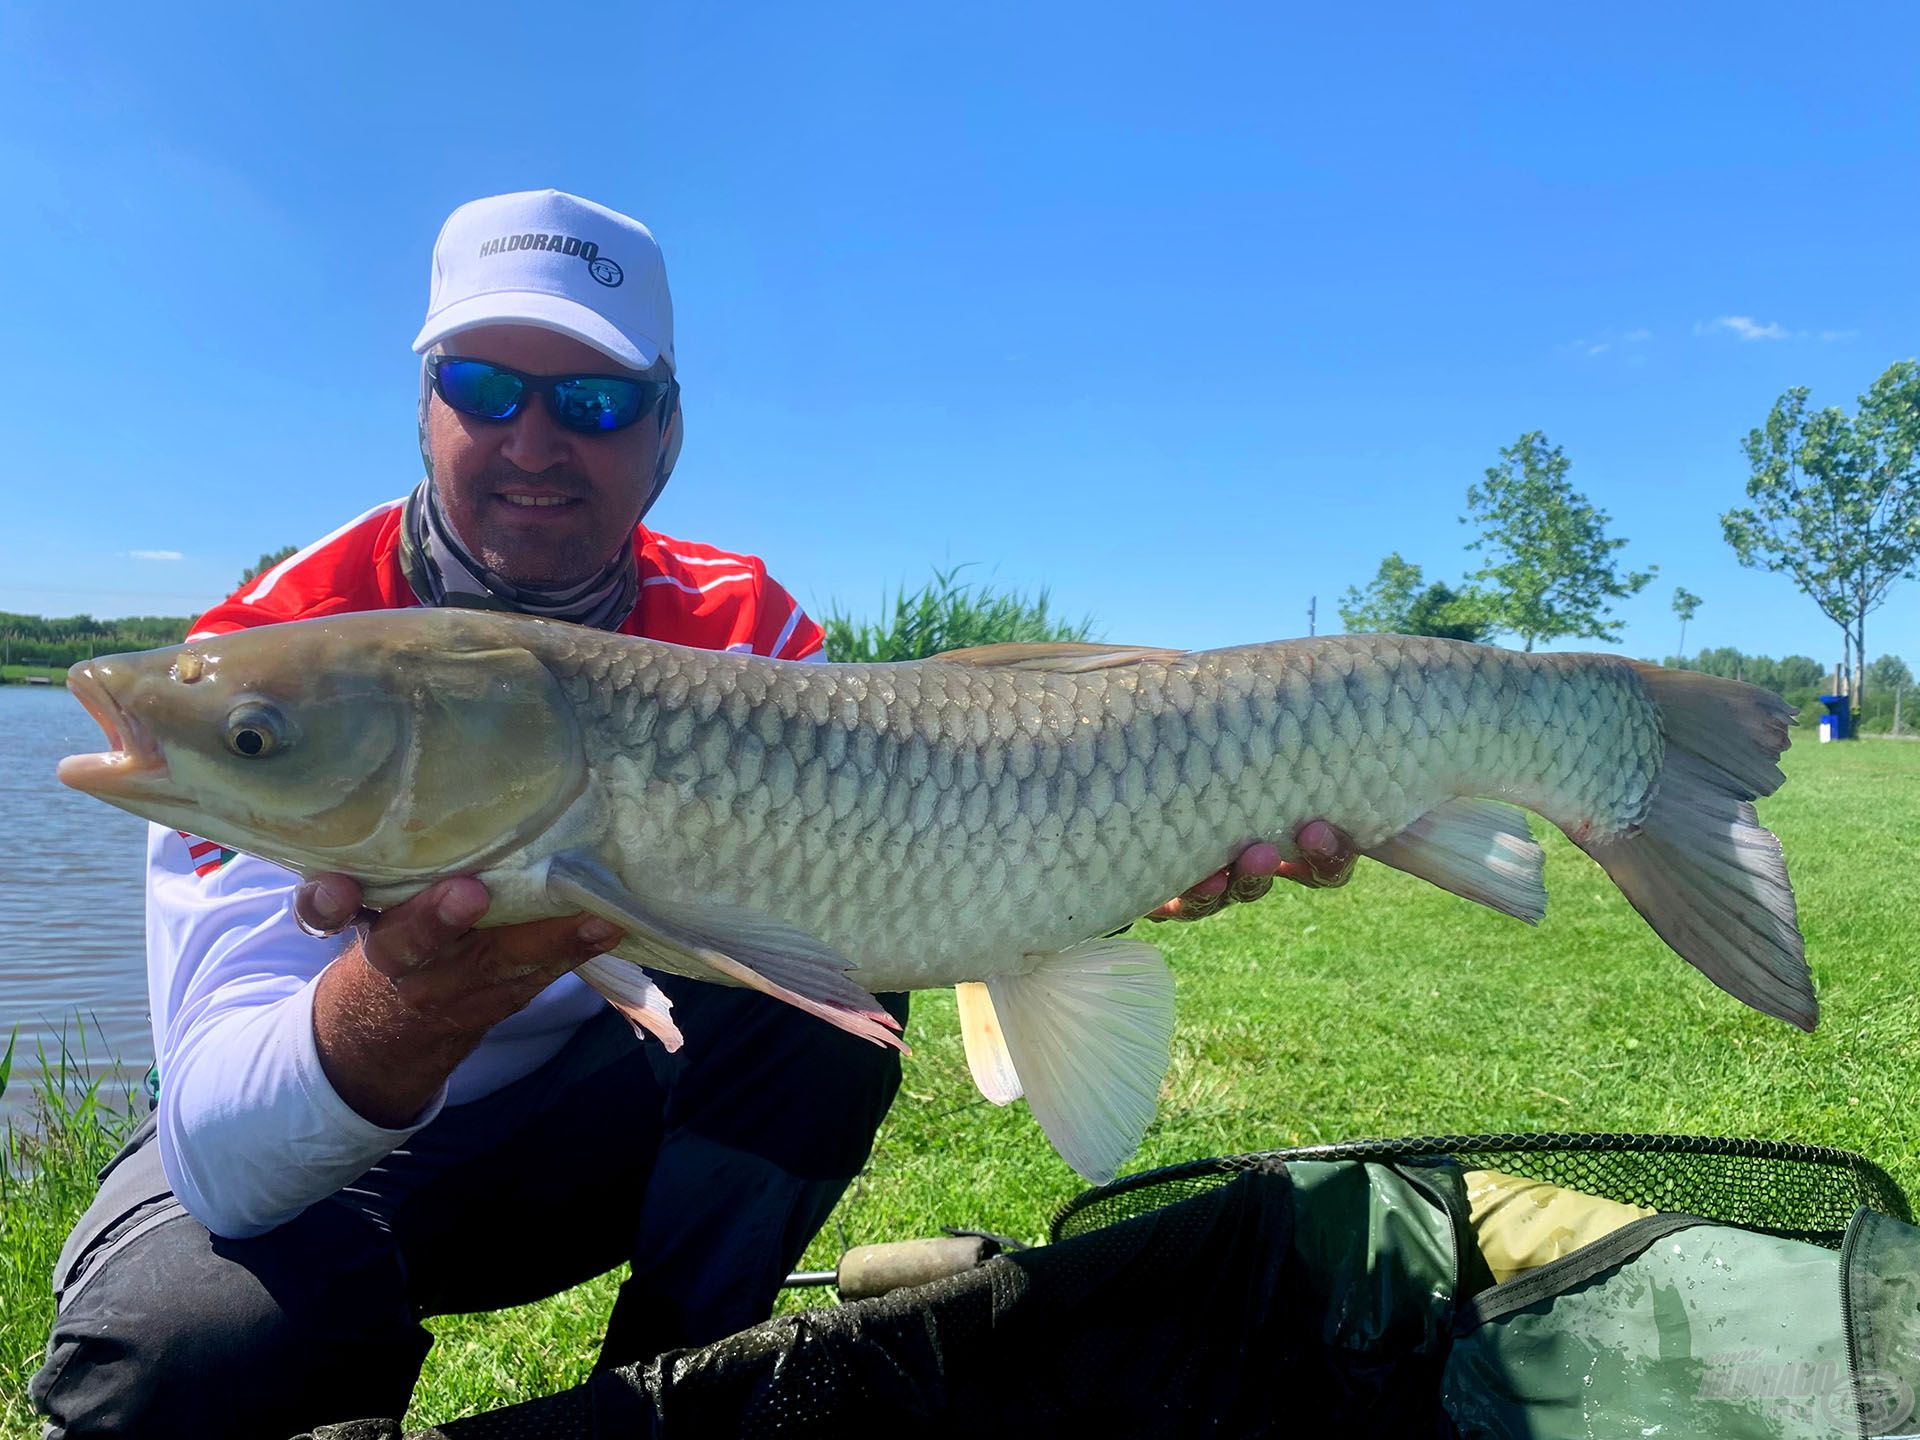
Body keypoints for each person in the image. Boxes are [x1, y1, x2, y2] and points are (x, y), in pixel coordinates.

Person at [32, 189, 1356, 1439]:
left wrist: (1129, 845)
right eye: (485, 389)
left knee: (830, 1014)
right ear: (425, 406)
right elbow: (222, 1159)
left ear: (667, 432)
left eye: (597, 401)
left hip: (588, 1139)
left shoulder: (743, 629)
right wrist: (411, 988)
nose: (534, 441)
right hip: (324, 1175)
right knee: (186, 1345)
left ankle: (671, 1395)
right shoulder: (274, 674)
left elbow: (938, 845)